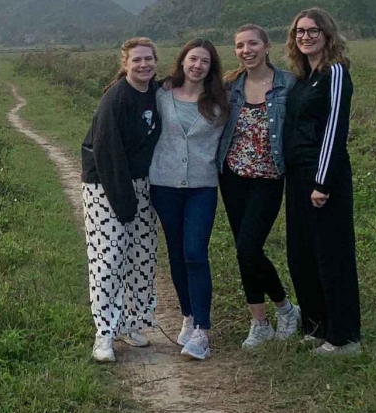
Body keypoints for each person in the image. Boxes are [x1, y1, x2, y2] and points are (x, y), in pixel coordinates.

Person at [216, 24, 301, 349]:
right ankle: (260, 323)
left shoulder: (288, 84)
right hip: (233, 177)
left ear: (267, 46)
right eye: (240, 45)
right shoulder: (231, 85)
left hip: (268, 178)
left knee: (248, 247)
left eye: (252, 43)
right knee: (243, 251)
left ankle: (286, 309)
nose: (246, 50)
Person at [283, 8, 361, 356]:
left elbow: (334, 129)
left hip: (322, 177)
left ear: (327, 35)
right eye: (300, 32)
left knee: (332, 255)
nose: (306, 37)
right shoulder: (303, 75)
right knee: (302, 253)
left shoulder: (335, 73)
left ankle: (344, 337)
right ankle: (315, 326)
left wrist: (323, 182)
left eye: (313, 31)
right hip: (297, 176)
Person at [81, 37, 162, 362]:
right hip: (107, 185)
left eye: (149, 59)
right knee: (110, 257)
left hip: (143, 184)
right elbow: (106, 151)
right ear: (125, 64)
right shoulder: (115, 99)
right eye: (137, 60)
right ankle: (105, 333)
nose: (144, 65)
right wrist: (123, 201)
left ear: (156, 61)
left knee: (143, 255)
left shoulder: (157, 94)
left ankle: (134, 322)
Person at [148, 39, 228, 360]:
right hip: (164, 186)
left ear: (211, 68)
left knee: (195, 252)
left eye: (205, 61)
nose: (197, 66)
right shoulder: (161, 95)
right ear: (182, 61)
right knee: (177, 254)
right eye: (193, 59)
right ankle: (188, 315)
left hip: (201, 188)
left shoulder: (220, 103)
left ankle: (203, 332)